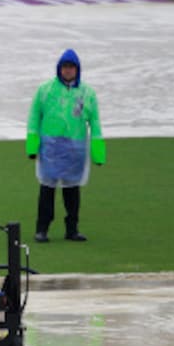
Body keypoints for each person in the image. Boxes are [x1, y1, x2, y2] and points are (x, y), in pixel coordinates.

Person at [26, 48, 106, 243]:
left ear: (77, 69)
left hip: (75, 150)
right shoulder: (45, 90)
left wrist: (98, 153)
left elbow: (95, 123)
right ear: (59, 68)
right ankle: (42, 229)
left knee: (72, 191)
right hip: (50, 148)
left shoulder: (87, 94)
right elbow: (34, 118)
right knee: (47, 189)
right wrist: (32, 146)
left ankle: (72, 229)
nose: (68, 70)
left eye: (71, 67)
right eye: (65, 67)